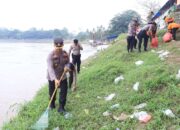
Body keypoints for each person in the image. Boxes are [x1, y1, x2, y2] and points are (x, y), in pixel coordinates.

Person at [47, 37, 70, 113]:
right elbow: (50, 68)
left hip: (62, 76)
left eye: (60, 47)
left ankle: (61, 107)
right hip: (52, 77)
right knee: (52, 92)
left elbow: (68, 63)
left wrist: (67, 67)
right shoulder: (50, 55)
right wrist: (55, 79)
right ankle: (52, 104)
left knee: (63, 92)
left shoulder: (65, 54)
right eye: (57, 47)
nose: (59, 49)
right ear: (54, 45)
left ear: (63, 45)